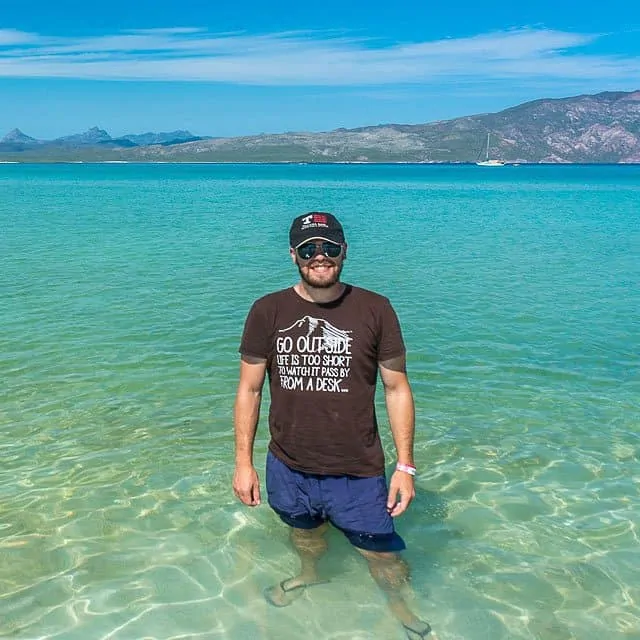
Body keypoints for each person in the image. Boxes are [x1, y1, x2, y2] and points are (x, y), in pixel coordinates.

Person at [232, 212, 434, 639]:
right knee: (304, 533)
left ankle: (399, 604)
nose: (319, 257)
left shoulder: (375, 308)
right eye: (308, 249)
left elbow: (396, 388)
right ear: (293, 255)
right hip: (288, 465)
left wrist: (405, 466)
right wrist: (243, 464)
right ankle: (310, 574)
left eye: (329, 247)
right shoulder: (267, 310)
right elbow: (249, 390)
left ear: (344, 251)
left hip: (357, 469)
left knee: (381, 553)